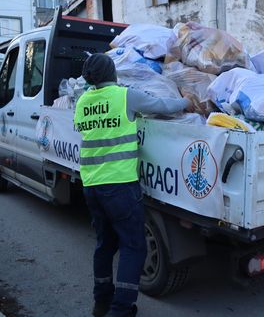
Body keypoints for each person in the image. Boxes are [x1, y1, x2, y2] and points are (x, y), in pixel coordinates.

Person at [74, 53, 193, 317]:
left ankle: (101, 302)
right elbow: (162, 105)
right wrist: (188, 100)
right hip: (120, 185)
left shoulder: (82, 101)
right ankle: (121, 309)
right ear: (112, 74)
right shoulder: (124, 95)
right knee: (133, 246)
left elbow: (80, 126)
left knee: (104, 245)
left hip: (91, 184)